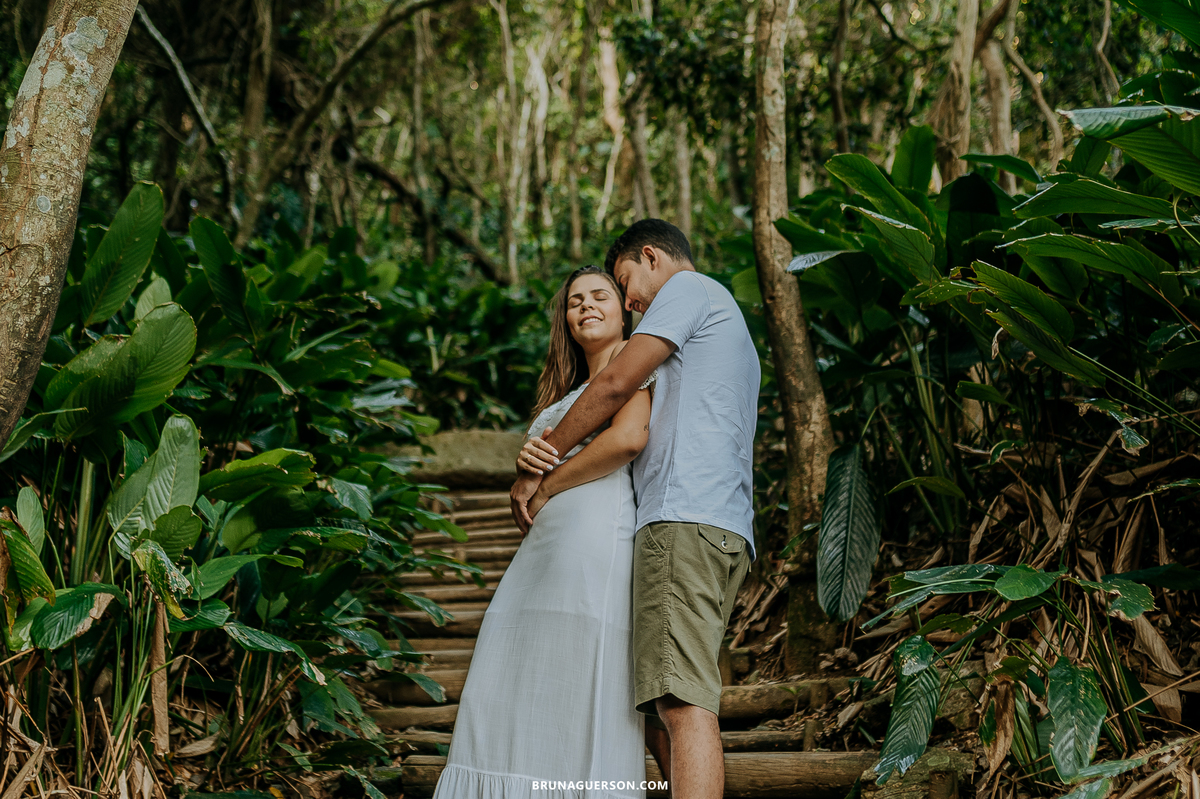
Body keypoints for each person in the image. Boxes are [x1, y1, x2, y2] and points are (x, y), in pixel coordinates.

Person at [512, 219, 759, 799]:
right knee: (658, 706)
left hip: (684, 521)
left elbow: (620, 382)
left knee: (680, 702)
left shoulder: (690, 291)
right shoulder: (720, 317)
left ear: (651, 257)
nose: (630, 302)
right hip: (716, 524)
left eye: (625, 285)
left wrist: (542, 466)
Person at [432, 265, 655, 798]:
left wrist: (548, 483)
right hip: (541, 550)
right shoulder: (569, 390)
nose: (585, 306)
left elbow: (627, 440)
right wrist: (525, 467)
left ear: (625, 309)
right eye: (575, 301)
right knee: (511, 664)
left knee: (580, 665)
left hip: (594, 533)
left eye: (600, 295)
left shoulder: (633, 366)